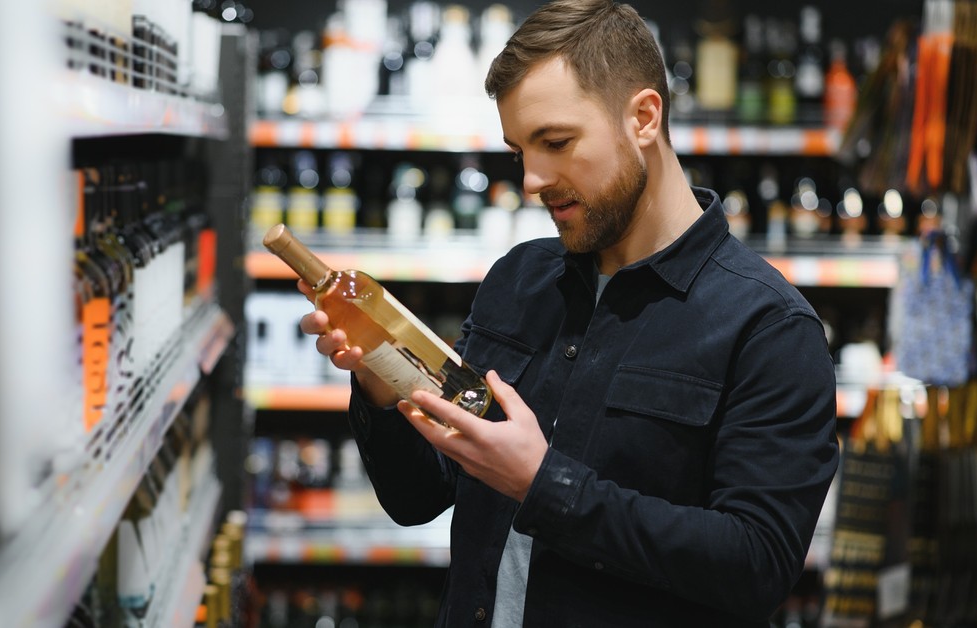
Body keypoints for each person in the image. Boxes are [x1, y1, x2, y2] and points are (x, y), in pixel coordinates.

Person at [298, 0, 839, 625]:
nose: (531, 179)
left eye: (555, 142)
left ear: (643, 117)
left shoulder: (769, 329)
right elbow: (419, 496)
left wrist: (543, 485)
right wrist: (378, 378)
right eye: (519, 149)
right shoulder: (517, 281)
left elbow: (756, 566)